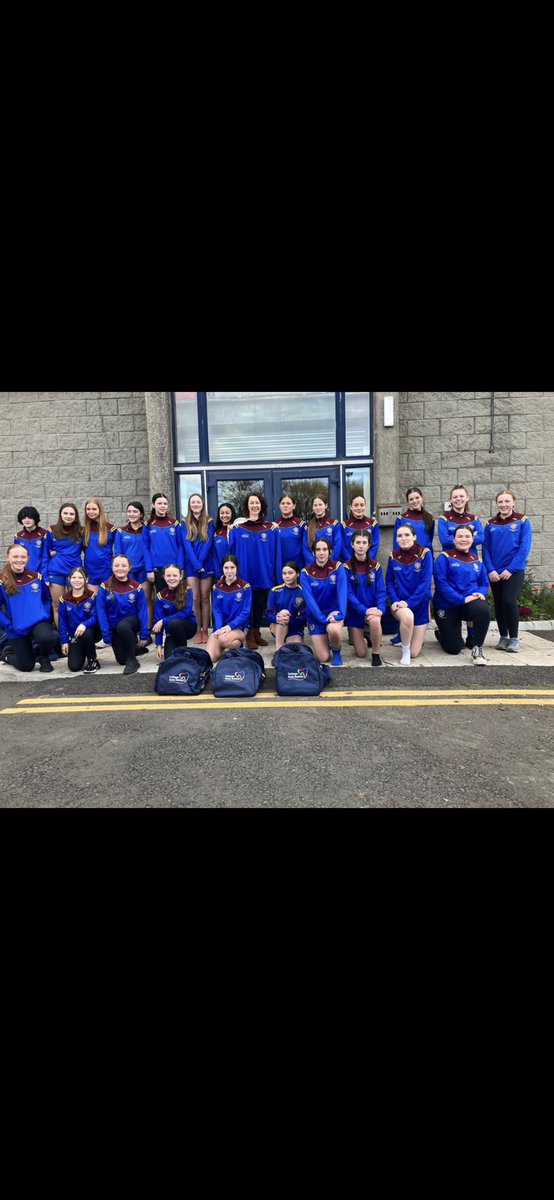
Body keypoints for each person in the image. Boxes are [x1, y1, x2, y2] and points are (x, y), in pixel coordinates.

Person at [483, 489, 533, 653]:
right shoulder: (490, 524)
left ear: (513, 503)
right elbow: (485, 548)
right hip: (495, 573)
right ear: (497, 504)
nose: (503, 505)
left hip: (514, 571)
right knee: (498, 603)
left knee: (509, 601)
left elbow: (524, 548)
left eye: (507, 501)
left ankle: (514, 638)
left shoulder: (522, 521)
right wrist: (490, 569)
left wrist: (510, 569)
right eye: (500, 502)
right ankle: (503, 636)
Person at [434, 526, 491, 664]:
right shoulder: (444, 557)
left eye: (467, 536)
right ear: (454, 539)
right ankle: (441, 632)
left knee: (483, 609)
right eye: (460, 536)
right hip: (447, 605)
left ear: (472, 540)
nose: (463, 539)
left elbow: (484, 583)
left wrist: (480, 593)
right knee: (454, 648)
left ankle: (477, 648)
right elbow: (441, 584)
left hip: (468, 603)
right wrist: (461, 599)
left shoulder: (477, 560)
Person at [0, 544, 58, 673]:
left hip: (37, 623)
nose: (19, 560)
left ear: (28, 558)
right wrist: (9, 625)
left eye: (23, 557)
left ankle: (44, 658)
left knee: (47, 637)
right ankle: (7, 655)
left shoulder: (37, 577)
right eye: (15, 556)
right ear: (8, 557)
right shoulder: (1, 581)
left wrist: (44, 614)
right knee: (27, 666)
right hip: (16, 628)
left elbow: (46, 598)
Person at [230, 493, 276, 649]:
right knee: (247, 606)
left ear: (261, 505)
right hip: (245, 574)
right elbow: (231, 551)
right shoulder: (238, 528)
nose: (254, 505)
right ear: (247, 506)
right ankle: (248, 634)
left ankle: (256, 632)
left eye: (257, 502)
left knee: (260, 604)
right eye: (251, 503)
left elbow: (276, 553)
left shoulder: (271, 528)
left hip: (263, 574)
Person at [386, 524, 433, 666]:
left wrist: (410, 602)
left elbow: (425, 584)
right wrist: (394, 600)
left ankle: (406, 636)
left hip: (419, 604)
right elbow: (389, 581)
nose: (403, 538)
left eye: (407, 535)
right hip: (400, 604)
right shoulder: (393, 556)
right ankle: (404, 650)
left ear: (414, 537)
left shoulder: (425, 553)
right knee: (407, 617)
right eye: (399, 536)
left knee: (415, 653)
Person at [96, 555, 150, 675]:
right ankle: (133, 648)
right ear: (112, 567)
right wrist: (106, 635)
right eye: (117, 565)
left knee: (123, 626)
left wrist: (144, 634)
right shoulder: (104, 587)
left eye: (124, 565)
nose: (120, 568)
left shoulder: (137, 587)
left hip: (131, 623)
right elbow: (101, 611)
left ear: (129, 568)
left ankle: (133, 660)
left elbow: (142, 611)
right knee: (121, 660)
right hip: (114, 626)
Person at [301, 537, 347, 666]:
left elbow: (342, 592)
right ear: (313, 552)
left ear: (330, 551)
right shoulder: (305, 572)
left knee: (334, 630)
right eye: (318, 549)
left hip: (333, 612)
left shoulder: (338, 567)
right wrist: (322, 618)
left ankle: (337, 650)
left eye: (325, 549)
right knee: (323, 658)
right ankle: (328, 640)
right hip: (316, 617)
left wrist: (341, 614)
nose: (322, 552)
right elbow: (309, 600)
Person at [343, 531, 386, 665]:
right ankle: (366, 638)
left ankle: (376, 653)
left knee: (375, 621)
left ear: (369, 546)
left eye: (364, 543)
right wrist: (364, 610)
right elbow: (348, 594)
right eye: (358, 542)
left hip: (372, 610)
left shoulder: (376, 566)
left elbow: (381, 591)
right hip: (355, 611)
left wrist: (380, 609)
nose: (361, 546)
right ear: (352, 545)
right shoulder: (346, 567)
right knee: (361, 654)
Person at [43, 504, 84, 627]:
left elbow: (90, 550)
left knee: (75, 604)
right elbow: (46, 554)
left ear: (76, 516)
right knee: (57, 605)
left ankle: (75, 635)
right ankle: (62, 637)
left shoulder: (81, 531)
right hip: (56, 572)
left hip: (75, 572)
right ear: (60, 514)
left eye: (72, 514)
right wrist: (45, 576)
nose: (68, 516)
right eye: (65, 513)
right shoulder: (51, 530)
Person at [206, 555, 253, 664]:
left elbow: (245, 613)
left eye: (232, 567)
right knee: (210, 658)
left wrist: (229, 627)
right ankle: (231, 646)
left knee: (223, 639)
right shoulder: (216, 588)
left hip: (238, 627)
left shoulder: (245, 587)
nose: (229, 571)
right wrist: (219, 629)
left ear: (237, 568)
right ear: (222, 569)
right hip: (222, 628)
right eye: (226, 568)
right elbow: (217, 610)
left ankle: (240, 645)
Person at [182, 494, 215, 645]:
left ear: (203, 504)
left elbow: (208, 543)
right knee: (194, 597)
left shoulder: (209, 521)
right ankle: (197, 630)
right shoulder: (184, 522)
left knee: (204, 597)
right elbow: (186, 545)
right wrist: (195, 564)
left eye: (198, 502)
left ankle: (205, 630)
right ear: (189, 505)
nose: (195, 504)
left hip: (206, 563)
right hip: (191, 565)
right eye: (193, 502)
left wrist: (201, 563)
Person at [114, 502, 153, 627]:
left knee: (146, 600)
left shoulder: (148, 528)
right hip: (128, 573)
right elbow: (119, 553)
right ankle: (131, 628)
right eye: (129, 511)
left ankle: (147, 629)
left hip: (144, 570)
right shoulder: (121, 531)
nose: (132, 514)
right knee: (129, 602)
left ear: (141, 514)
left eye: (135, 511)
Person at [58, 567, 101, 674]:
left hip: (91, 632)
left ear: (86, 580)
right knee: (74, 666)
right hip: (75, 635)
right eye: (74, 577)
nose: (77, 580)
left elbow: (96, 617)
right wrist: (64, 641)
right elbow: (62, 621)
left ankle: (92, 660)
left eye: (80, 577)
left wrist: (84, 624)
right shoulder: (64, 599)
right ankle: (84, 650)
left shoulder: (92, 596)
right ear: (69, 579)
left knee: (86, 633)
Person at [144, 494, 188, 594]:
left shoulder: (175, 523)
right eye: (159, 503)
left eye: (165, 503)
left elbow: (181, 546)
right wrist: (149, 569)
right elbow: (145, 548)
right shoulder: (148, 525)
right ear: (153, 505)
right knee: (162, 600)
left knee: (178, 599)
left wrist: (180, 567)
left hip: (174, 569)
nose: (162, 506)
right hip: (157, 570)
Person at [153, 564, 197, 661]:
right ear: (164, 577)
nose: (171, 578)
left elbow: (186, 613)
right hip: (171, 630)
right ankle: (179, 651)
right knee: (170, 659)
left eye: (175, 575)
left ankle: (183, 649)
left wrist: (164, 621)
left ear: (180, 576)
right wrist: (159, 645)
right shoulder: (160, 595)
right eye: (168, 576)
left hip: (188, 626)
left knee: (174, 623)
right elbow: (157, 622)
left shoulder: (187, 589)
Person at [267, 561, 307, 653]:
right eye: (284, 573)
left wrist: (291, 620)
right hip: (278, 626)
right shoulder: (275, 591)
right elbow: (268, 614)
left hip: (295, 628)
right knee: (284, 613)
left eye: (290, 573)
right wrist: (277, 618)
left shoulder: (303, 592)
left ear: (297, 574)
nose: (287, 576)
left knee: (293, 650)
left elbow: (304, 617)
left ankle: (285, 644)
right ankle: (278, 651)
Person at [83, 498, 116, 591]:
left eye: (94, 509)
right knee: (93, 601)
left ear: (99, 510)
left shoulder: (111, 529)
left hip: (106, 570)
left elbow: (119, 549)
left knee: (107, 601)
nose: (91, 512)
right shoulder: (84, 529)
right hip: (90, 571)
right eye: (88, 509)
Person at [303, 495, 343, 565]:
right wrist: (315, 564)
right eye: (315, 505)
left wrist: (329, 562)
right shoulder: (308, 526)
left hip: (330, 565)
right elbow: (305, 548)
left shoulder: (334, 524)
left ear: (326, 505)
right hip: (313, 566)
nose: (318, 507)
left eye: (320, 504)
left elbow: (337, 545)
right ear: (312, 507)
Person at [393, 487, 435, 554]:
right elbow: (396, 542)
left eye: (417, 498)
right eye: (411, 499)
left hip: (425, 556)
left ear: (422, 498)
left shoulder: (430, 518)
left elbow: (430, 538)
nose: (415, 501)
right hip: (407, 556)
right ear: (408, 501)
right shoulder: (401, 519)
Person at [342, 494, 380, 562]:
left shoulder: (373, 524)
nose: (359, 508)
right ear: (351, 507)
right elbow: (342, 547)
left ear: (365, 506)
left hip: (368, 565)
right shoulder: (344, 525)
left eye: (362, 505)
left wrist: (366, 561)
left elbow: (375, 546)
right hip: (349, 565)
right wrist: (351, 562)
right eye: (356, 505)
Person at [275, 494, 305, 577]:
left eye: (288, 503)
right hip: (281, 567)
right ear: (279, 506)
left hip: (298, 566)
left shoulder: (301, 525)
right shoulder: (274, 526)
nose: (285, 506)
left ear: (294, 506)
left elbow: (306, 547)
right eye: (283, 503)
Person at [14, 507, 48, 573]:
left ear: (35, 518)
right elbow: (16, 557)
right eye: (24, 518)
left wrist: (44, 576)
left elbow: (46, 557)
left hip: (40, 573)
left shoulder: (44, 534)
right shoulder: (18, 536)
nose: (26, 520)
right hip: (23, 573)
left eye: (30, 518)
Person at [213, 503, 237, 580]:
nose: (224, 515)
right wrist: (219, 574)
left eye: (227, 513)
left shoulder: (237, 530)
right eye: (222, 513)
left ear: (232, 514)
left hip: (238, 575)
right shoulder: (216, 533)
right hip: (221, 576)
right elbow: (214, 555)